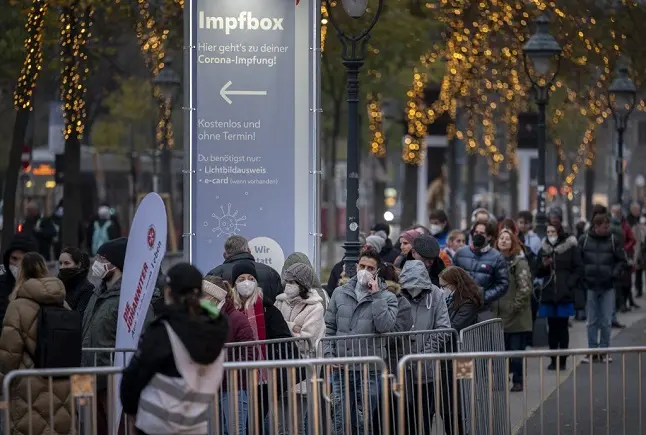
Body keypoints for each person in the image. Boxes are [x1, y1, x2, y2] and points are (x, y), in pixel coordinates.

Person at [120, 263, 229, 435]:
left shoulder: (163, 329)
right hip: (196, 424)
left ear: (169, 291)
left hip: (156, 423)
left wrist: (130, 408)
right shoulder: (217, 328)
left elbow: (137, 374)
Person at [82, 237, 155, 435]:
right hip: (91, 379)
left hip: (113, 383)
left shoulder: (132, 298)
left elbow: (143, 338)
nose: (96, 263)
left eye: (102, 258)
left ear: (116, 264)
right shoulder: (97, 295)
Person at [324, 247, 398, 434]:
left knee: (363, 419)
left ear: (377, 271)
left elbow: (385, 326)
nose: (365, 271)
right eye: (362, 266)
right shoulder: (339, 292)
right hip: (341, 367)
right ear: (356, 266)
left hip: (369, 370)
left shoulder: (388, 297)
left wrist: (377, 296)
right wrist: (328, 355)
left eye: (370, 268)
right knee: (340, 417)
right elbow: (330, 327)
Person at [0, 252, 73, 435]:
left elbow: (9, 355)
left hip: (28, 387)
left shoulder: (17, 307)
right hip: (62, 384)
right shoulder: (63, 304)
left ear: (22, 273)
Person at [230, 261, 294, 434]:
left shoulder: (268, 309)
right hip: (236, 378)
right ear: (234, 284)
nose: (246, 283)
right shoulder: (229, 310)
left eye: (251, 278)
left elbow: (284, 341)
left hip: (263, 380)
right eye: (241, 279)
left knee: (255, 423)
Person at [399, 259, 454, 434]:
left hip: (426, 370)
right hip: (401, 368)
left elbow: (443, 328)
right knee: (402, 416)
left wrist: (425, 354)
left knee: (424, 415)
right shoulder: (397, 294)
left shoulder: (436, 294)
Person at [579, 213, 626, 363]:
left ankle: (604, 350)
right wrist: (584, 277)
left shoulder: (613, 240)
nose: (607, 229)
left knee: (606, 320)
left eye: (608, 226)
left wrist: (614, 274)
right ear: (596, 226)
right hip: (591, 285)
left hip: (607, 285)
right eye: (605, 227)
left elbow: (621, 260)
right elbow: (578, 261)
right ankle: (593, 350)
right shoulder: (584, 240)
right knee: (592, 321)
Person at [536, 222, 583, 370]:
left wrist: (569, 283)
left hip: (564, 293)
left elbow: (578, 268)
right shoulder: (544, 249)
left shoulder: (570, 247)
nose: (551, 235)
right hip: (549, 293)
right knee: (552, 328)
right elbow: (537, 272)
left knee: (562, 327)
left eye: (553, 231)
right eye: (548, 232)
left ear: (559, 232)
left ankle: (562, 360)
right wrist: (544, 265)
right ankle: (553, 359)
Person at [493, 229, 533, 392]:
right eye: (501, 238)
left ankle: (518, 380)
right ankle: (501, 379)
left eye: (507, 239)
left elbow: (525, 288)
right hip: (498, 314)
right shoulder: (494, 261)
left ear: (513, 243)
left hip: (516, 317)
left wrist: (515, 306)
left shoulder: (519, 263)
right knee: (499, 352)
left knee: (516, 352)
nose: (503, 241)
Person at [214, 277, 254, 435]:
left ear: (215, 296)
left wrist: (223, 370)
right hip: (210, 388)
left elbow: (249, 354)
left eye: (203, 295)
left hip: (233, 387)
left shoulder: (237, 318)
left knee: (235, 430)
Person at [453, 220, 509, 319]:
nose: (478, 235)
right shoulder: (460, 253)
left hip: (484, 310)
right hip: (460, 308)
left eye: (482, 233)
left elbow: (503, 284)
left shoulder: (497, 257)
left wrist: (484, 297)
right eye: (476, 232)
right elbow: (451, 277)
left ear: (489, 236)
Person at [208, 235, 283, 302]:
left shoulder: (215, 274)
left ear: (225, 255)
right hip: (266, 313)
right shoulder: (271, 272)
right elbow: (279, 303)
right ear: (249, 250)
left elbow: (208, 302)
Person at [275, 263, 326, 353]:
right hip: (280, 357)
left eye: (291, 282)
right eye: (287, 281)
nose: (287, 285)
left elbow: (306, 343)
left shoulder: (315, 307)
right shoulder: (280, 302)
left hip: (305, 359)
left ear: (302, 285)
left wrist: (282, 328)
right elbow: (272, 329)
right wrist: (292, 327)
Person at [0, 233, 38, 325]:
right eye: (14, 258)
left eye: (24, 260)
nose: (18, 264)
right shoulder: (1, 285)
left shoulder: (41, 288)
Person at [611, 204, 638, 311]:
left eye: (617, 212)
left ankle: (624, 302)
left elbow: (632, 239)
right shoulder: (609, 224)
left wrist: (625, 247)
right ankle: (620, 303)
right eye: (614, 212)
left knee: (626, 280)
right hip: (615, 253)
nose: (615, 214)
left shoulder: (625, 225)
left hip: (625, 254)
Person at [439, 266, 483, 332]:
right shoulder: (451, 297)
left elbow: (455, 327)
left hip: (463, 337)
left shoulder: (468, 303)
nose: (441, 289)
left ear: (455, 283)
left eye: (444, 286)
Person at [58, 246, 94, 317]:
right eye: (60, 263)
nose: (62, 267)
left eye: (67, 263)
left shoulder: (87, 289)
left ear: (78, 265)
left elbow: (81, 317)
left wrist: (65, 306)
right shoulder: (58, 284)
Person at [627, 203, 645, 298]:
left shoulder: (640, 219)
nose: (638, 211)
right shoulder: (629, 220)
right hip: (634, 248)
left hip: (640, 248)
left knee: (639, 270)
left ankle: (639, 289)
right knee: (634, 270)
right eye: (637, 210)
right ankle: (635, 290)